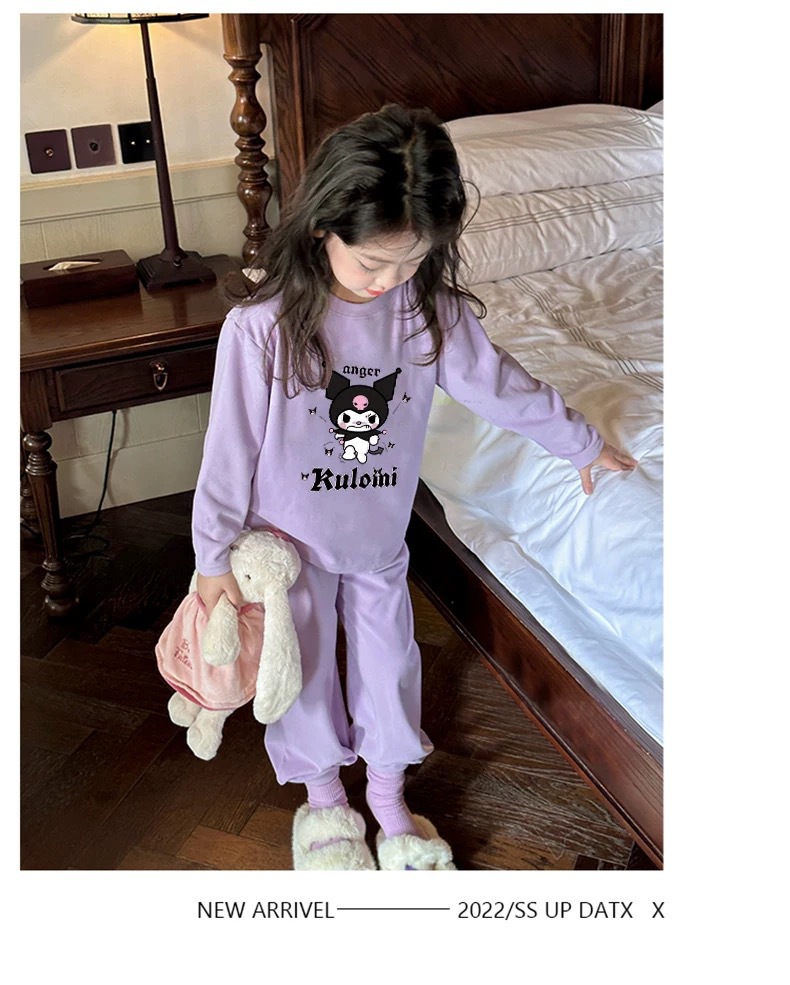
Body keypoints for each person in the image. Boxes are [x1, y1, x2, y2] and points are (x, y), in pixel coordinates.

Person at [191, 103, 636, 871]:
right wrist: (211, 557)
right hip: (285, 547)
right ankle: (325, 805)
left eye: (411, 261)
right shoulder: (262, 328)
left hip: (376, 537)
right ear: (324, 226)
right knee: (302, 676)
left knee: (391, 666)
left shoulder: (427, 313)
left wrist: (581, 442)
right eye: (373, 263)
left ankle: (391, 799)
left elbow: (498, 383)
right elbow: (227, 454)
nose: (390, 281)